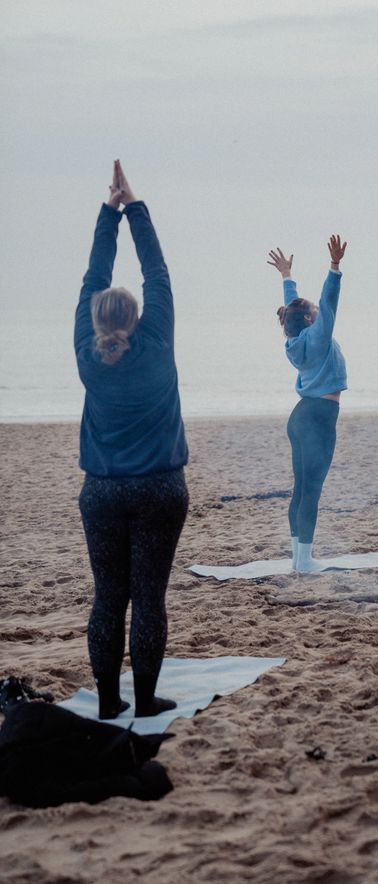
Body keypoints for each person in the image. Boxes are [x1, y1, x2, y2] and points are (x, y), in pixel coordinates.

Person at [75, 161, 189, 719]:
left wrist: (109, 212)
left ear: (94, 319)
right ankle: (144, 701)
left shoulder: (87, 351)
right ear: (140, 318)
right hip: (160, 490)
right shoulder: (157, 340)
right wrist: (133, 205)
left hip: (101, 493)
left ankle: (106, 704)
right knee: (148, 598)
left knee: (108, 597)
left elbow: (94, 275)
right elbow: (157, 272)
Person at [268, 235, 348, 573]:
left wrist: (287, 277)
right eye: (316, 314)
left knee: (301, 487)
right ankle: (304, 561)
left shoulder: (295, 336)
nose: (319, 313)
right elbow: (327, 301)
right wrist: (334, 267)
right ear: (314, 321)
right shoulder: (318, 336)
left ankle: (298, 556)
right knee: (311, 490)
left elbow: (294, 309)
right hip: (318, 417)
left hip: (301, 417)